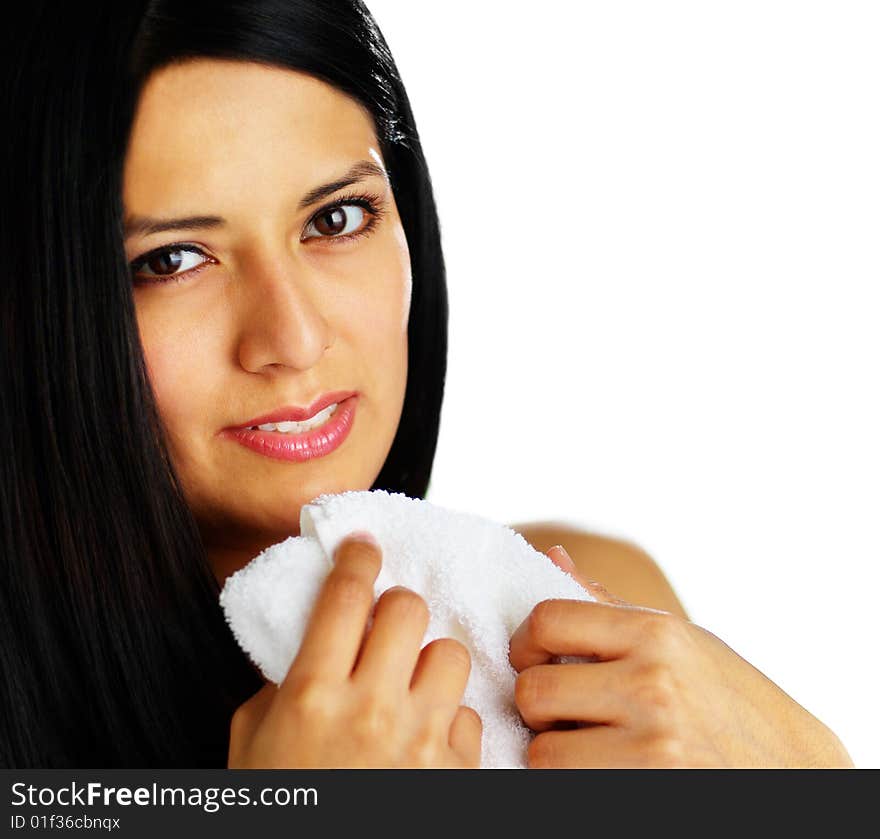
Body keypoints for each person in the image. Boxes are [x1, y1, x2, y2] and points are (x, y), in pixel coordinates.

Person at [0, 0, 853, 769]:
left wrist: (811, 771)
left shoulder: (599, 646)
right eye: (173, 259)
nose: (293, 339)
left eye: (335, 218)